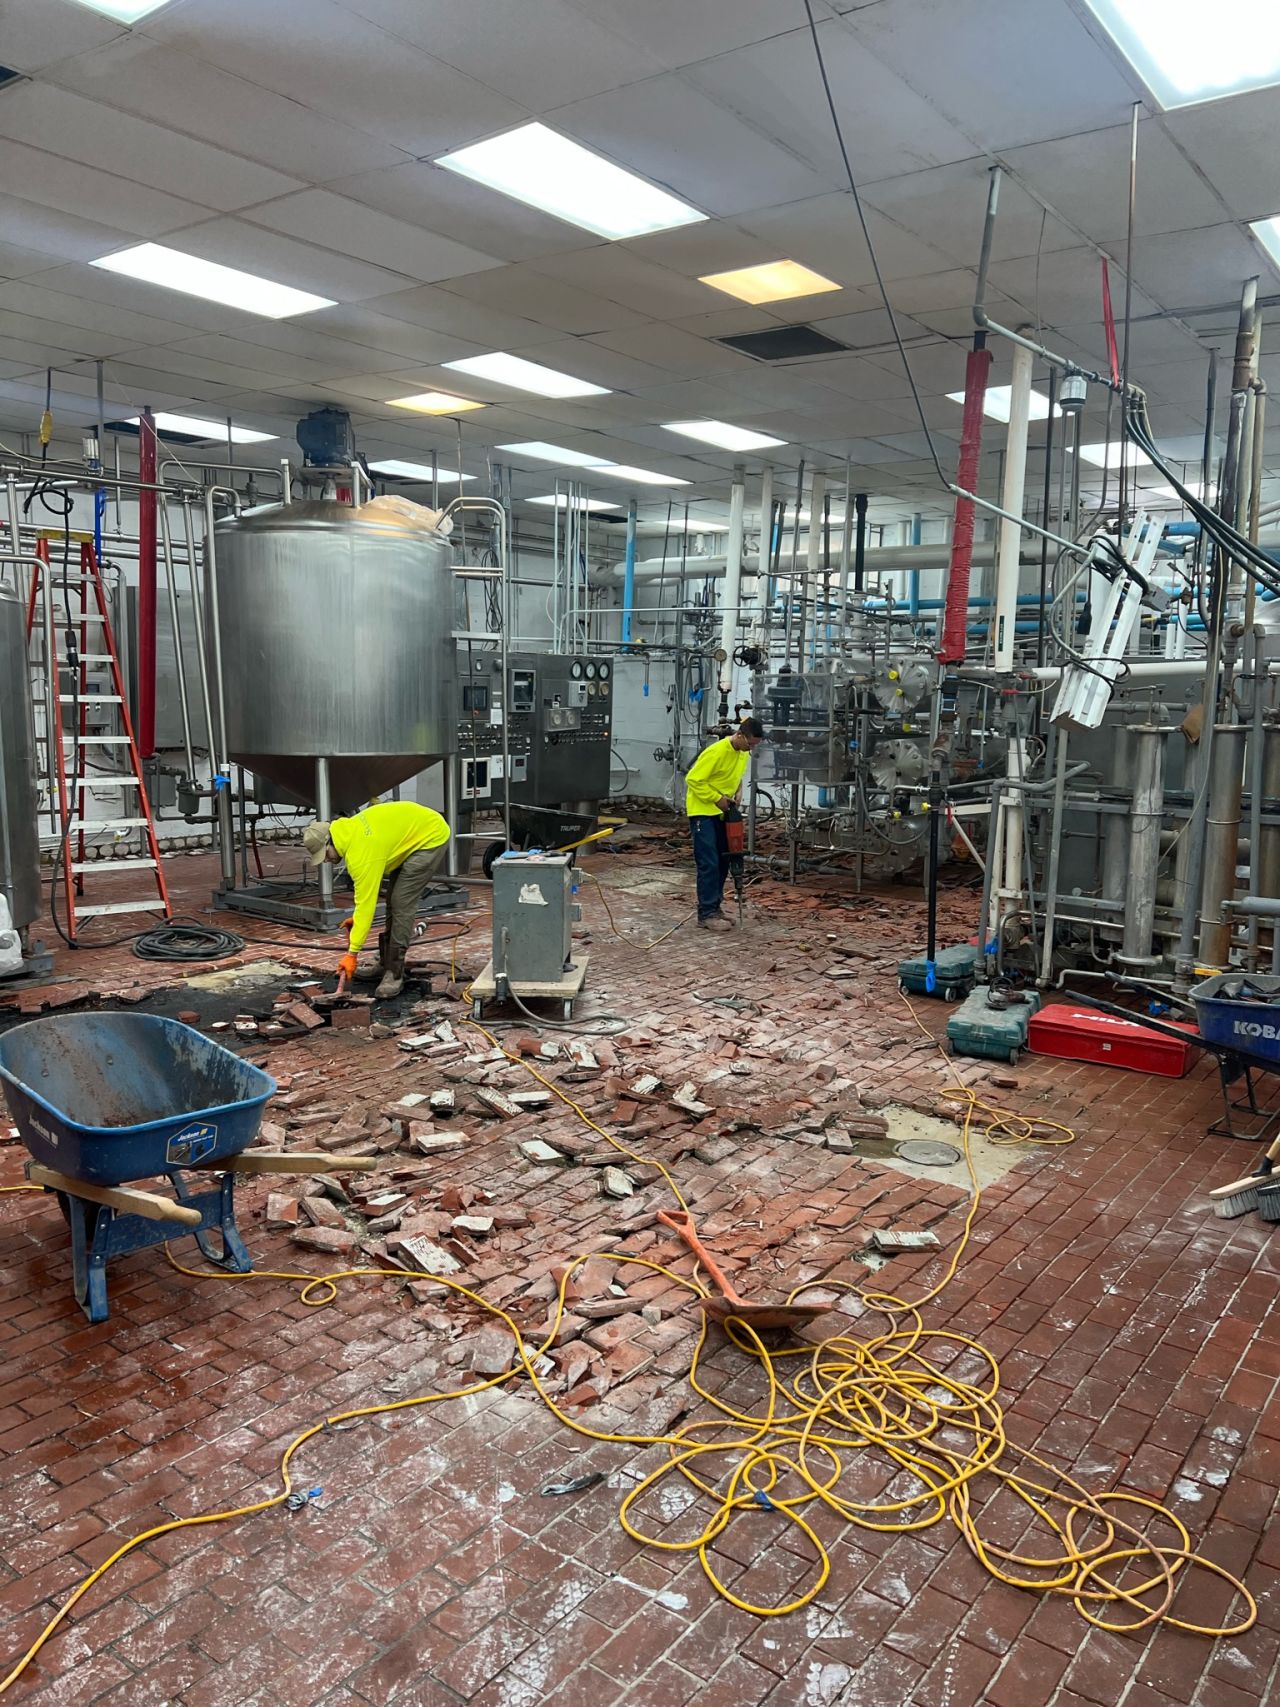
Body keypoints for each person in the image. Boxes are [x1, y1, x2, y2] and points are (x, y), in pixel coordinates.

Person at [304, 801, 451, 998]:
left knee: (401, 902)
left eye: (325, 854)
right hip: (409, 835)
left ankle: (394, 973)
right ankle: (384, 963)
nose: (326, 860)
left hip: (430, 836)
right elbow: (363, 905)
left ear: (329, 842)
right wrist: (357, 921)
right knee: (393, 899)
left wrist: (352, 953)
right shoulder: (348, 831)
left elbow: (366, 906)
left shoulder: (361, 855)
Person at [684, 716, 764, 931]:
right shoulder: (716, 752)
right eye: (750, 744)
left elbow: (736, 776)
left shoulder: (742, 753)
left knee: (723, 861)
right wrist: (716, 798)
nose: (751, 750)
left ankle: (715, 908)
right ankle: (706, 913)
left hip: (724, 812)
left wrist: (738, 792)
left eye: (755, 746)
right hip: (703, 811)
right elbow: (693, 779)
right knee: (709, 861)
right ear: (739, 735)